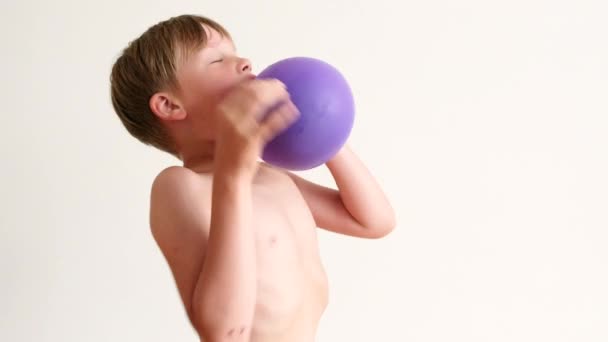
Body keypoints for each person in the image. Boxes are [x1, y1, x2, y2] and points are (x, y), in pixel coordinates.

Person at [110, 14, 396, 342]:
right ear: (170, 105)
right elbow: (226, 332)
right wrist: (233, 171)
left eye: (237, 53)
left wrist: (322, 123)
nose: (245, 63)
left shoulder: (271, 176)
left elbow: (374, 222)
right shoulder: (179, 186)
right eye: (217, 59)